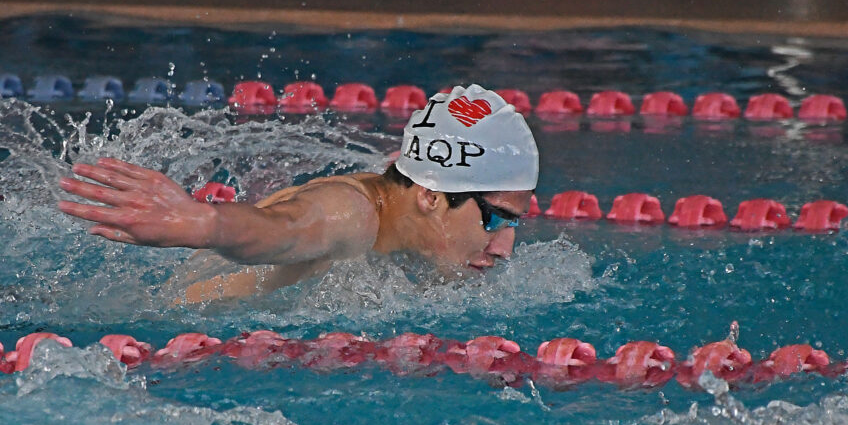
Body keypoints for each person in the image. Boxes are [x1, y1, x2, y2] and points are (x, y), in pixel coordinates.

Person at [58, 84, 540, 303]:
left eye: (515, 223)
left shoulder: (397, 203)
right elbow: (284, 230)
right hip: (164, 344)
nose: (504, 248)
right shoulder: (350, 215)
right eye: (495, 219)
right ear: (430, 196)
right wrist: (203, 222)